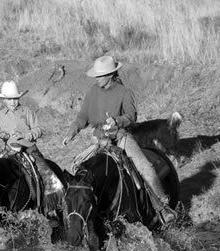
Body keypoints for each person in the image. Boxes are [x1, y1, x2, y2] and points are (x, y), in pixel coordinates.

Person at [62, 56, 177, 225]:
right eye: (96, 75)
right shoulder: (93, 91)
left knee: (145, 167)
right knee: (80, 169)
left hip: (121, 138)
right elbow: (83, 116)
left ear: (110, 75)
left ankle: (162, 206)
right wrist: (72, 132)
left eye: (100, 75)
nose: (97, 78)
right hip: (99, 141)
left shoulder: (124, 92)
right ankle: (80, 212)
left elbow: (131, 116)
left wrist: (117, 121)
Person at [0, 80, 64, 226]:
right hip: (9, 151)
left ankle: (50, 208)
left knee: (45, 171)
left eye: (15, 99)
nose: (13, 102)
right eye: (9, 99)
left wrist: (27, 135)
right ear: (4, 100)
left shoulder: (27, 112)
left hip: (29, 149)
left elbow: (39, 129)